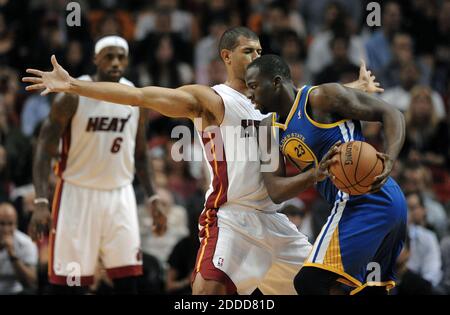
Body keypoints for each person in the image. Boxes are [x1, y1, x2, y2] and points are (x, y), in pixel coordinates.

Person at [23, 27, 379, 295]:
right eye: (246, 51)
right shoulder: (211, 99)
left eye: (259, 50)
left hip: (273, 219)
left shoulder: (273, 101)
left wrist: (357, 89)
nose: (255, 56)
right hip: (232, 218)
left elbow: (311, 100)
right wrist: (74, 86)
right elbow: (139, 96)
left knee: (331, 286)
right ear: (225, 56)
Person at [246, 54, 406, 295]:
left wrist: (390, 157)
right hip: (374, 206)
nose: (251, 95)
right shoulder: (268, 131)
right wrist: (315, 174)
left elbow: (391, 113)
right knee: (355, 290)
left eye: (254, 86)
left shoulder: (322, 98)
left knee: (309, 282)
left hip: (364, 198)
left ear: (276, 82)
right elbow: (276, 191)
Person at [27, 36, 165, 294]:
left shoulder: (136, 97)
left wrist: (153, 196)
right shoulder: (72, 94)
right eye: (109, 56)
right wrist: (41, 202)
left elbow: (142, 154)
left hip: (120, 193)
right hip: (77, 194)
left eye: (121, 57)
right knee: (71, 284)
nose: (115, 62)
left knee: (128, 280)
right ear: (95, 59)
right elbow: (43, 149)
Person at [0, 202, 38, 294]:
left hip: (17, 291)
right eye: (1, 224)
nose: (6, 229)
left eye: (10, 224)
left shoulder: (27, 243)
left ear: (16, 224)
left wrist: (12, 255)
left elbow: (31, 282)